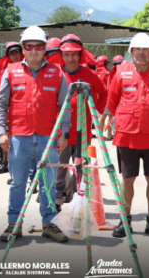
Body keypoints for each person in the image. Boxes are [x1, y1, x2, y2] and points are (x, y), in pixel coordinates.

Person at [0, 25, 70, 243]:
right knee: (18, 182)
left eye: (38, 46)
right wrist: (2, 131)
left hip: (48, 137)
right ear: (23, 48)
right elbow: (1, 104)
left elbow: (65, 105)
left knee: (47, 182)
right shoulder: (10, 71)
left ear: (45, 48)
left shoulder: (57, 72)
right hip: (19, 136)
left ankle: (49, 223)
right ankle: (14, 224)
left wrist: (63, 132)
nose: (34, 50)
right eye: (29, 46)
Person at [107, 33, 149, 240]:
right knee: (127, 180)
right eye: (137, 50)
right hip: (127, 136)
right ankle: (124, 220)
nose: (141, 53)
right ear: (131, 52)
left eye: (145, 50)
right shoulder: (120, 72)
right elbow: (112, 101)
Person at [49, 35, 107, 210]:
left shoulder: (88, 74)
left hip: (83, 132)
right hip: (62, 133)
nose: (70, 58)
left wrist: (94, 109)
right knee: (59, 168)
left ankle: (78, 203)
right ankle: (57, 201)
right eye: (66, 55)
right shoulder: (56, 73)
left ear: (80, 55)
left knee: (81, 169)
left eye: (74, 54)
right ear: (61, 56)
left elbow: (103, 92)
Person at [0, 42, 23, 175]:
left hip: (21, 106)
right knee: (5, 136)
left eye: (17, 52)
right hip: (8, 106)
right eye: (12, 53)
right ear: (8, 55)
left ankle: (19, 168)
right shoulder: (0, 68)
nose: (15, 55)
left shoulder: (26, 66)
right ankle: (5, 162)